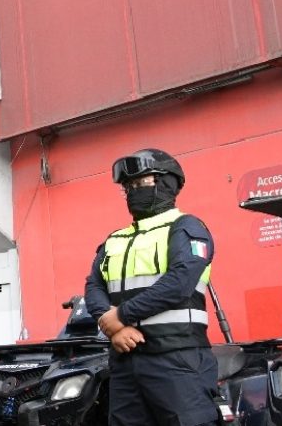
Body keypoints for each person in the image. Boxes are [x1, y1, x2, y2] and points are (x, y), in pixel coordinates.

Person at [85, 148, 219, 425]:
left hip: (177, 357)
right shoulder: (114, 239)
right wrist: (113, 328)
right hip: (124, 359)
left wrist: (120, 316)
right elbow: (93, 285)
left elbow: (179, 283)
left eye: (141, 182)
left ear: (166, 183)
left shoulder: (187, 228)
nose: (133, 191)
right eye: (127, 186)